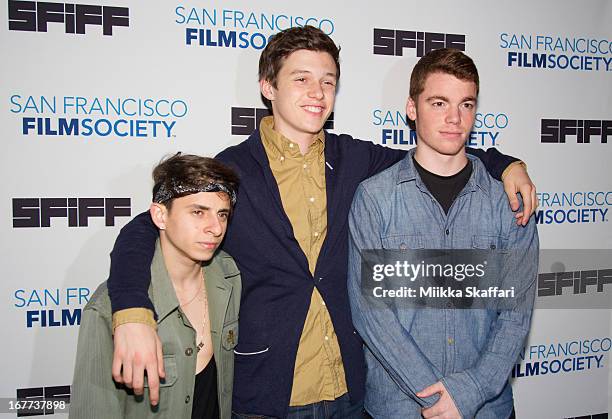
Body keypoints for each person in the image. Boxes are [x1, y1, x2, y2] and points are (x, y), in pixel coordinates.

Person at [106, 27, 537, 418]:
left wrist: (506, 164)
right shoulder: (233, 169)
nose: (318, 92)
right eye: (302, 79)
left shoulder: (356, 159)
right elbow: (148, 226)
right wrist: (130, 308)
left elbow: (442, 149)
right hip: (268, 395)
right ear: (267, 87)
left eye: (328, 81)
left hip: (351, 394)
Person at [347, 48, 538, 418]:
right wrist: (440, 400)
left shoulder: (509, 201)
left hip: (486, 409)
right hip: (399, 409)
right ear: (411, 108)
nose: (454, 118)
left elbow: (516, 315)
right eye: (439, 103)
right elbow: (373, 316)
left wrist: (470, 391)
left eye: (466, 105)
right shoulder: (375, 198)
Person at [70, 154, 241, 418]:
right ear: (160, 216)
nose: (216, 228)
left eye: (222, 214)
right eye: (198, 212)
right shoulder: (106, 309)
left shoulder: (228, 277)